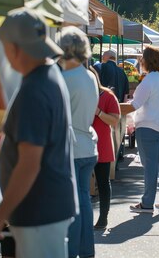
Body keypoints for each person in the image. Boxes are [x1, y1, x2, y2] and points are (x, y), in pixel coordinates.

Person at [0, 8, 76, 258]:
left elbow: (29, 165)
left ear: (15, 48)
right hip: (47, 208)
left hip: (39, 212)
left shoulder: (34, 90)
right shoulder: (50, 75)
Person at [57, 27, 99, 258]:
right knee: (83, 201)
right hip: (87, 143)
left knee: (73, 205)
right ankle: (86, 250)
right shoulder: (89, 75)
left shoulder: (64, 78)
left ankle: (73, 251)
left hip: (71, 146)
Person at [120, 45, 159, 213]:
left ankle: (147, 202)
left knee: (149, 165)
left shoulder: (149, 80)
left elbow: (134, 105)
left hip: (148, 126)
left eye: (142, 58)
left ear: (146, 61)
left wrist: (112, 107)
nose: (140, 60)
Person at [88, 66, 121, 230]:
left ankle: (103, 217)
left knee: (102, 182)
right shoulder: (78, 94)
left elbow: (115, 120)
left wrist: (99, 112)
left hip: (102, 145)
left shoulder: (107, 96)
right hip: (81, 145)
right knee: (80, 185)